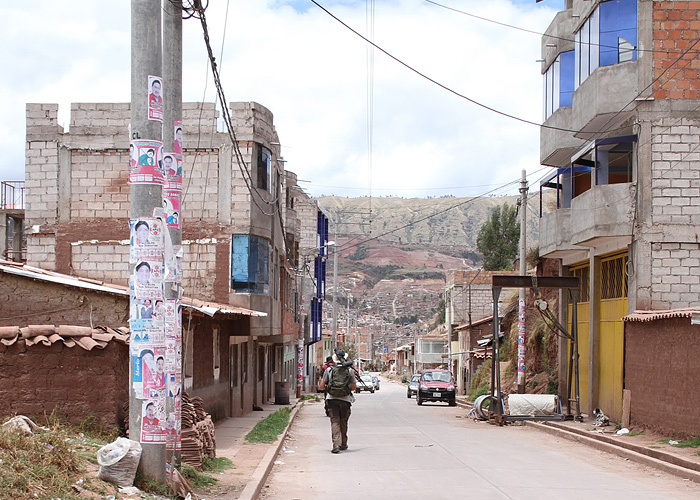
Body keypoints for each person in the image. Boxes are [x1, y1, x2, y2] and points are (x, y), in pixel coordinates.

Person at [319, 350, 356, 454]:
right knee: (343, 422)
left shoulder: (329, 370)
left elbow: (321, 387)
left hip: (332, 400)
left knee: (335, 422)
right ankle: (343, 443)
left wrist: (330, 387)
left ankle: (336, 445)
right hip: (345, 400)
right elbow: (353, 387)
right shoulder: (349, 370)